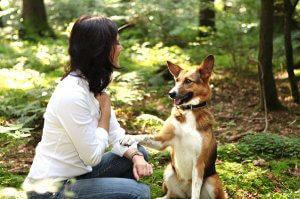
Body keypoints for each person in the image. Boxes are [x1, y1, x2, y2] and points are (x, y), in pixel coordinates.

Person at [23, 16, 152, 199]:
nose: (120, 48)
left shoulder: (92, 84)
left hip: (78, 176)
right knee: (138, 192)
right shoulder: (72, 94)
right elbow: (91, 157)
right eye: (116, 44)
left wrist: (136, 155)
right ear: (99, 50)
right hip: (50, 190)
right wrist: (104, 115)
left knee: (139, 153)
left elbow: (116, 134)